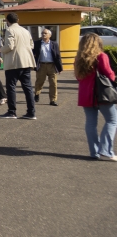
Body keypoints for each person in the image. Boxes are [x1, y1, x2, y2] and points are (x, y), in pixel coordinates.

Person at [73, 33, 117, 161]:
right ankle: (106, 150)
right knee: (112, 120)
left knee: (91, 123)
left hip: (85, 94)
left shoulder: (78, 59)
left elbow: (78, 77)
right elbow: (109, 74)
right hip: (102, 94)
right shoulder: (101, 56)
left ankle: (94, 152)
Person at [0, 13, 37, 120]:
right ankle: (31, 112)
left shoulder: (10, 30)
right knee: (28, 88)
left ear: (7, 21)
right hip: (26, 62)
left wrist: (0, 49)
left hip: (14, 62)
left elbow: (10, 46)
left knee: (11, 87)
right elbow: (32, 45)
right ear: (18, 20)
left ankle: (12, 111)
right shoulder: (25, 30)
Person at [33, 29, 63, 106]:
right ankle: (37, 94)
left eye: (45, 33)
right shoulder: (37, 43)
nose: (43, 34)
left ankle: (53, 100)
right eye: (42, 33)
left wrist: (59, 68)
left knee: (53, 83)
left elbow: (57, 56)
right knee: (39, 82)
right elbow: (33, 54)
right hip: (41, 65)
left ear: (50, 35)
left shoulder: (54, 44)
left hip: (52, 66)